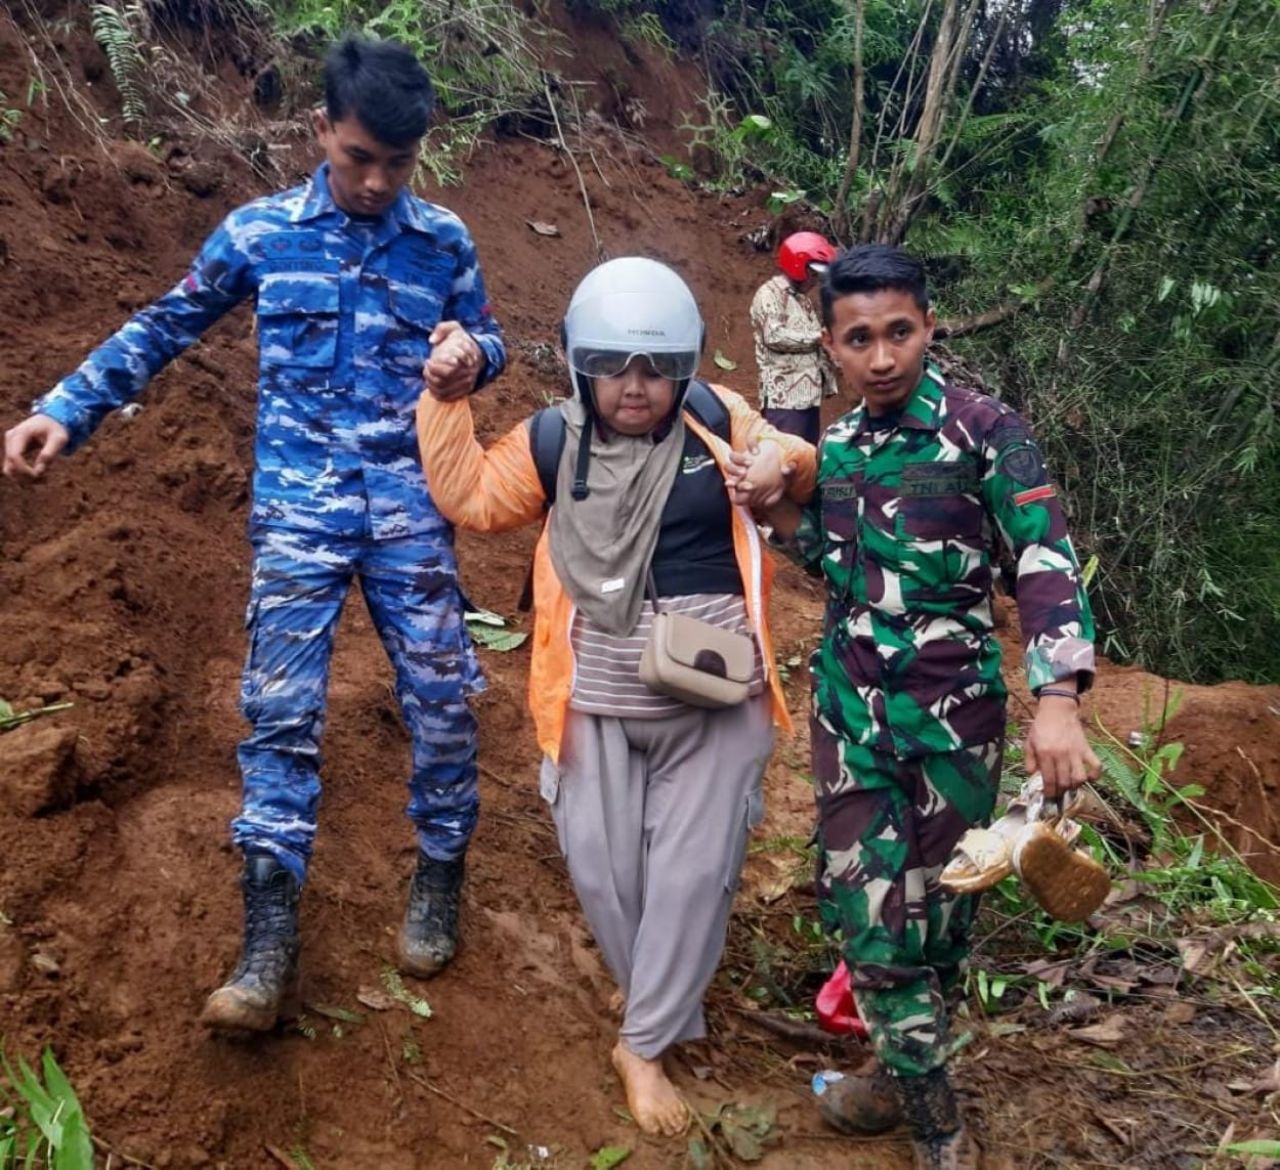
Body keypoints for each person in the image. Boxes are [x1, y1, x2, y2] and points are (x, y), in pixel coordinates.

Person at [1, 36, 506, 1031]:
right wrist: (67, 406)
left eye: (396, 165)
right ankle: (267, 938)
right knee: (280, 720)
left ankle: (439, 870)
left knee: (444, 702)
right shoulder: (260, 233)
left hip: (407, 512)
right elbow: (163, 325)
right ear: (321, 130)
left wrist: (468, 356)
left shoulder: (442, 241)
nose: (373, 182)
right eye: (358, 157)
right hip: (299, 517)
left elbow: (483, 336)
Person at [415, 257, 816, 1136]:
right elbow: (471, 499)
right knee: (603, 864)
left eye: (658, 368)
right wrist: (445, 400)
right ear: (579, 364)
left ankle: (642, 1043)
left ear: (686, 367)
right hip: (592, 694)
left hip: (714, 696)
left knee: (693, 870)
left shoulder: (714, 419)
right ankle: (659, 1000)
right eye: (614, 367)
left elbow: (792, 455)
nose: (636, 388)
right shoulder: (553, 441)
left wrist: (777, 469)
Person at [750, 244, 1099, 1169]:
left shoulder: (988, 431)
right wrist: (775, 514)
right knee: (868, 911)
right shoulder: (842, 447)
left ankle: (890, 1073)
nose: (881, 357)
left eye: (898, 332)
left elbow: (1043, 559)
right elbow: (836, 568)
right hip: (852, 713)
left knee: (941, 919)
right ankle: (939, 1123)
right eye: (858, 339)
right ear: (829, 345)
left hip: (959, 717)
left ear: (929, 328)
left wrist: (1057, 697)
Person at [750, 230, 839, 446]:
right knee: (785, 457)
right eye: (813, 272)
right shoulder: (769, 294)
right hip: (784, 398)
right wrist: (818, 338)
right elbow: (774, 336)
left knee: (806, 457)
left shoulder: (802, 301)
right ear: (799, 265)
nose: (815, 279)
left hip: (807, 397)